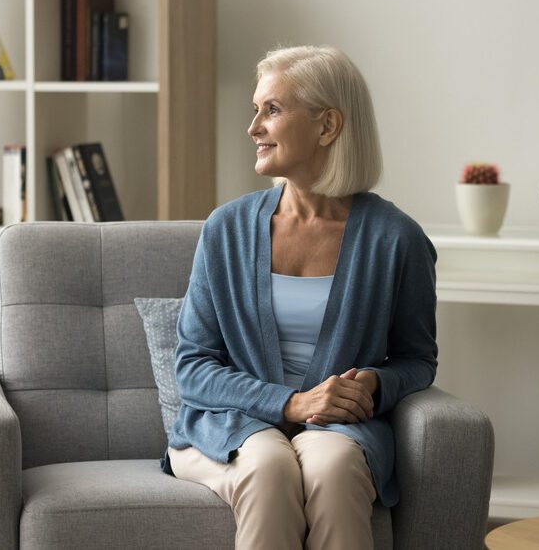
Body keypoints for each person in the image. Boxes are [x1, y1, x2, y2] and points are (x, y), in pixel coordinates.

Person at [164, 45, 438, 549]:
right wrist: (289, 403)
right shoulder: (225, 230)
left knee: (333, 470)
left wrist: (374, 385)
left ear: (327, 126)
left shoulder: (397, 239)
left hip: (338, 430)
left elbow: (417, 359)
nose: (253, 128)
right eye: (256, 110)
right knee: (269, 468)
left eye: (271, 110)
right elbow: (193, 367)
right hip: (233, 425)